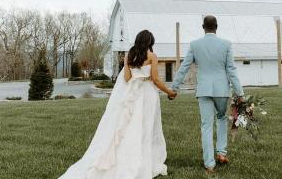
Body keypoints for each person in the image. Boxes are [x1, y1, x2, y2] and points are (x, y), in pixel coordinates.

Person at [58, 30, 177, 179]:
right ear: (149, 42)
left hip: (132, 95)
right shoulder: (152, 56)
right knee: (146, 127)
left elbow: (127, 78)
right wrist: (170, 92)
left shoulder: (129, 56)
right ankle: (143, 158)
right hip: (147, 94)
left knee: (130, 126)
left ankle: (125, 156)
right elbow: (156, 80)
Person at [170, 15, 244, 174]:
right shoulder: (226, 44)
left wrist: (174, 87)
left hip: (204, 90)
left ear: (203, 27)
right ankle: (222, 154)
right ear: (216, 27)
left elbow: (184, 67)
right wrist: (240, 92)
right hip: (222, 90)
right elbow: (231, 70)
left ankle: (209, 164)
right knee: (222, 119)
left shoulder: (195, 45)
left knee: (206, 126)